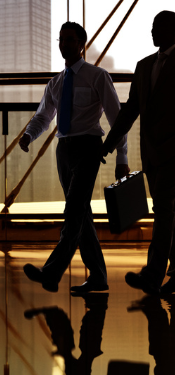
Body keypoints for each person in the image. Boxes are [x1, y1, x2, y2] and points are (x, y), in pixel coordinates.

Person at [101, 10, 175, 295]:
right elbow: (129, 111)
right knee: (165, 212)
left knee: (163, 211)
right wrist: (110, 143)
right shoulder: (144, 65)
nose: (151, 32)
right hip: (151, 153)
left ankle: (152, 275)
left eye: (156, 27)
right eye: (151, 27)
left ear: (173, 30)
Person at [21, 22, 129, 295]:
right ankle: (98, 277)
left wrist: (121, 158)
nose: (63, 44)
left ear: (82, 44)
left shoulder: (97, 76)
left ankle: (52, 271)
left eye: (69, 40)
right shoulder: (56, 82)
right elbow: (44, 117)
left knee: (73, 211)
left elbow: (118, 120)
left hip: (89, 147)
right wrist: (28, 136)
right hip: (64, 150)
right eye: (61, 40)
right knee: (81, 213)